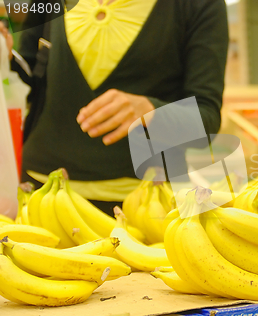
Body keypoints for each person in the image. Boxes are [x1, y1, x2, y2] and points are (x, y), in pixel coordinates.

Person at [0, 0, 229, 216]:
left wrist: (152, 110)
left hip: (144, 205)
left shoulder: (197, 5)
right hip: (38, 193)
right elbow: (30, 77)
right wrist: (6, 56)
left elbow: (205, 117)